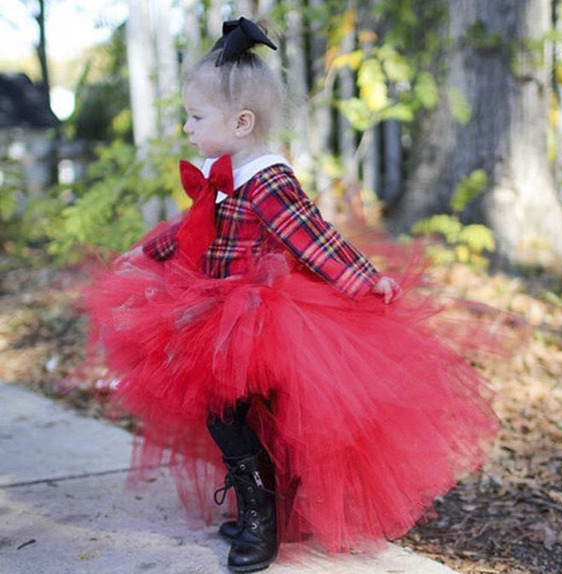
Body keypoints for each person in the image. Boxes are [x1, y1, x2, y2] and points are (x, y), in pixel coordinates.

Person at [84, 17, 504, 574]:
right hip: (212, 305)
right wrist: (146, 253)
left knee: (236, 414)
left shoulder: (266, 178)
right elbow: (193, 228)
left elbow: (314, 238)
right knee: (228, 413)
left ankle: (264, 514)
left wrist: (363, 278)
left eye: (195, 117)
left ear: (241, 122)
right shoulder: (223, 171)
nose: (187, 129)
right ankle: (263, 503)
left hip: (259, 314)